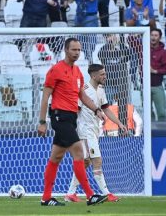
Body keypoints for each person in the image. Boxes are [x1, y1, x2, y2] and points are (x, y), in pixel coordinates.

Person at [37, 38, 108, 206]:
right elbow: (45, 95)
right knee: (79, 153)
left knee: (56, 157)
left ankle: (46, 198)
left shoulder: (77, 72)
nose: (77, 52)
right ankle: (91, 195)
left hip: (71, 118)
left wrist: (96, 109)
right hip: (59, 117)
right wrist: (42, 121)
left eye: (79, 50)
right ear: (66, 50)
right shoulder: (55, 70)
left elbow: (81, 95)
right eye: (74, 49)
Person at [63, 64, 127, 203]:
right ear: (93, 76)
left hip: (94, 130)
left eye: (105, 73)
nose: (105, 76)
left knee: (85, 162)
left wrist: (119, 123)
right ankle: (107, 193)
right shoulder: (85, 91)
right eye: (102, 74)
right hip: (85, 131)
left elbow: (106, 109)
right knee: (97, 160)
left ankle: (70, 193)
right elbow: (76, 110)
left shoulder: (101, 90)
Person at [150, 28, 166, 121]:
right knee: (148, 113)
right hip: (144, 86)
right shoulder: (143, 47)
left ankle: (162, 134)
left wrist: (155, 71)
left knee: (161, 112)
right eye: (152, 35)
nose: (153, 37)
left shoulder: (163, 52)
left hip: (157, 86)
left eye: (155, 35)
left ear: (160, 37)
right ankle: (150, 133)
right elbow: (130, 41)